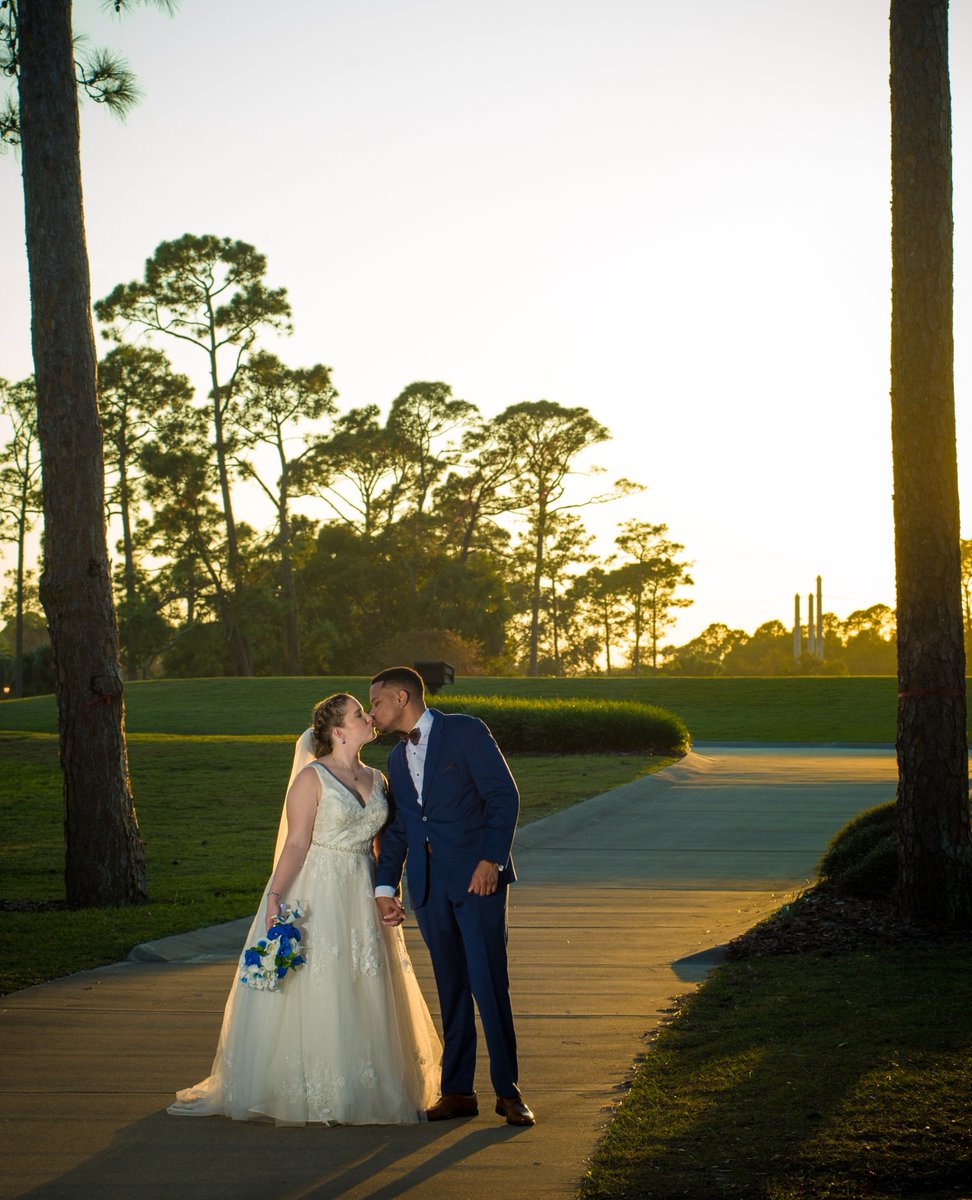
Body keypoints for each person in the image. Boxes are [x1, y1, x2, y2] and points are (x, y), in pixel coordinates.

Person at [167, 693, 441, 1125]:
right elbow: (296, 844)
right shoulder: (311, 779)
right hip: (317, 889)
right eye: (358, 714)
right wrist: (275, 897)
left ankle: (365, 1084)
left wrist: (389, 891)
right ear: (338, 731)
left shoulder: (377, 778)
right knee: (318, 982)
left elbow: (382, 844)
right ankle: (312, 1086)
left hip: (362, 886)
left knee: (365, 979)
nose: (368, 717)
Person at [369, 666, 535, 1126]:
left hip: (476, 881)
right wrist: (386, 886)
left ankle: (508, 1092)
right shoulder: (397, 760)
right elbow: (401, 828)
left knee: (489, 987)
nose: (373, 712)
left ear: (402, 697)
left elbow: (504, 797)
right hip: (427, 889)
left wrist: (492, 860)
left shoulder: (464, 731)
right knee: (451, 990)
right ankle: (458, 1091)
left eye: (377, 702)